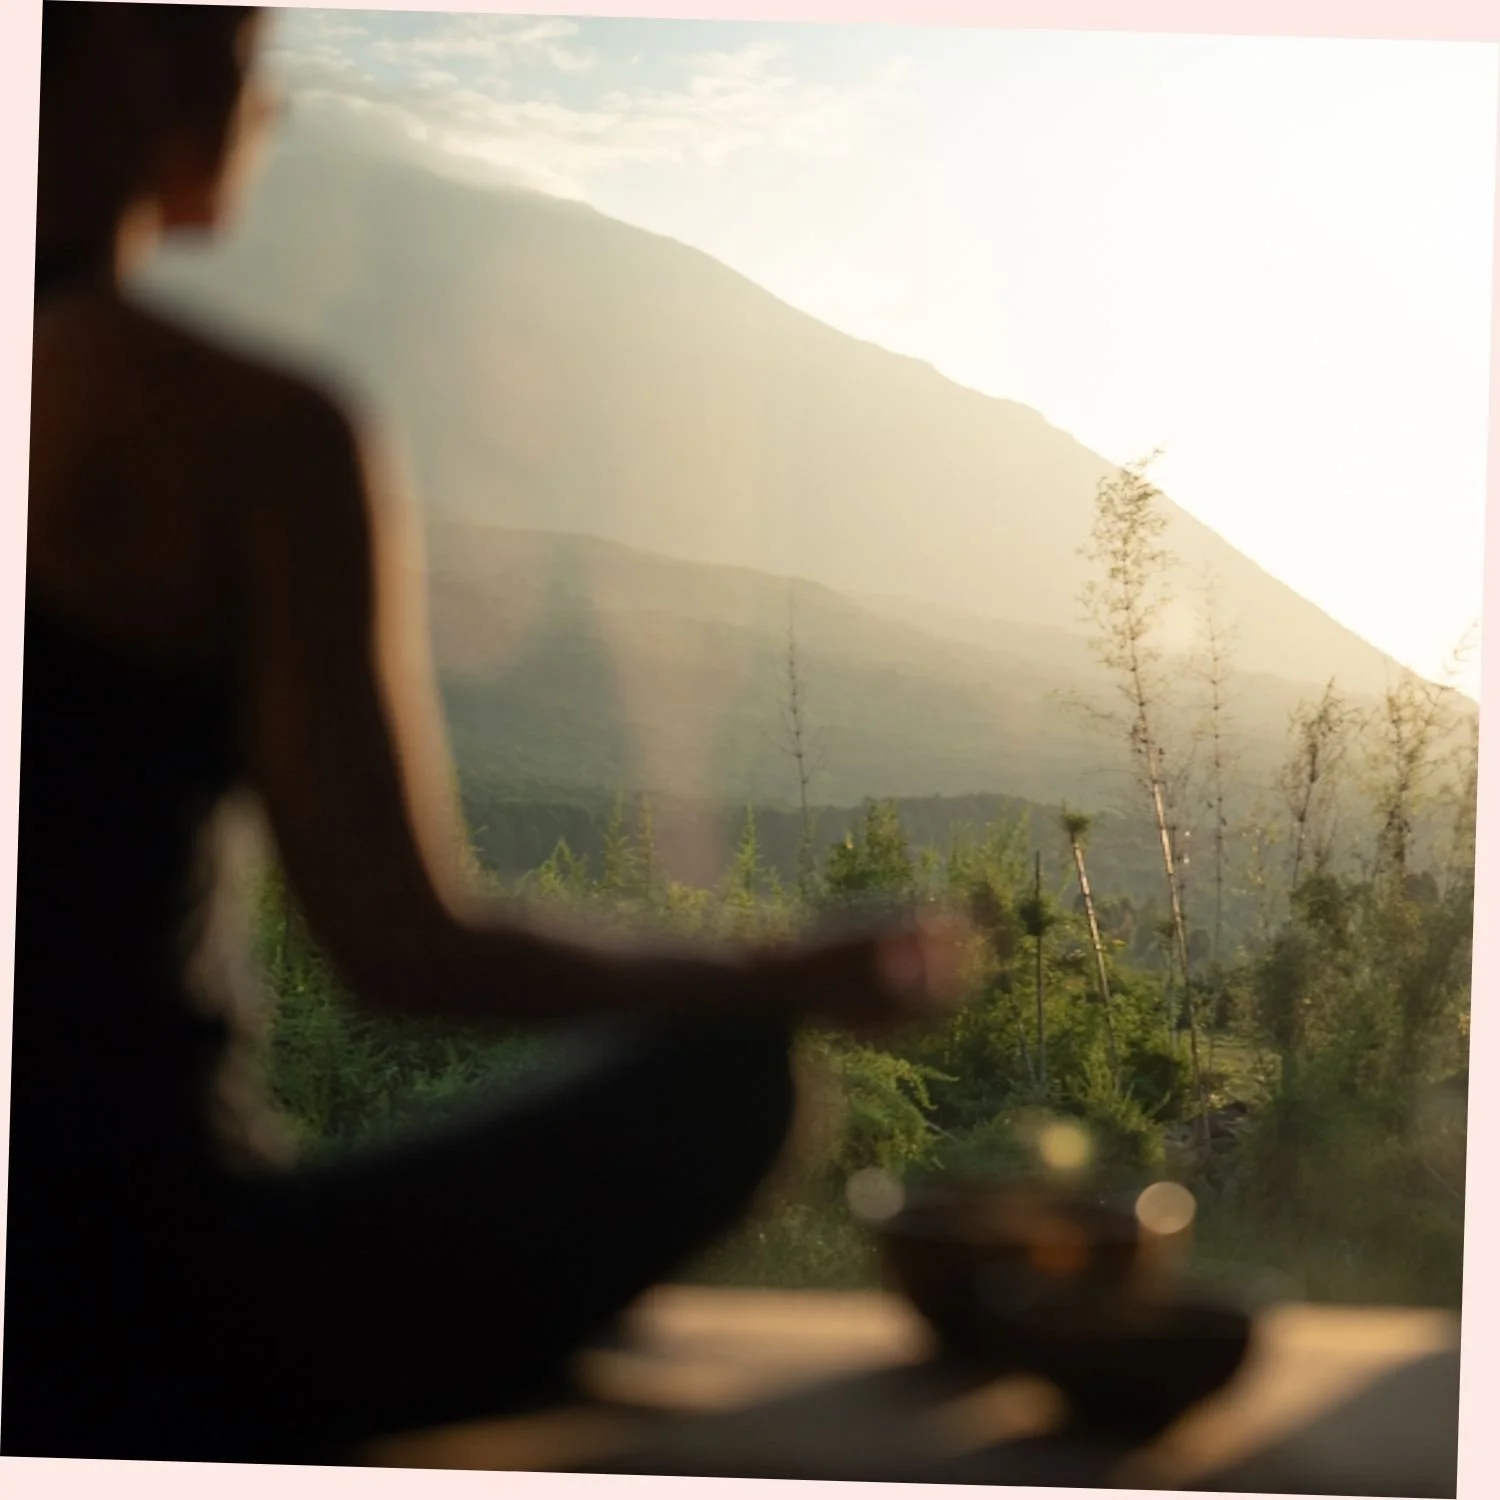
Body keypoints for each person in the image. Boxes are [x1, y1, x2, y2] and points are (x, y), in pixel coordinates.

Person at [6, 2, 965, 1467]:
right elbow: (402, 946)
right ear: (150, 67)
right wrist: (784, 972)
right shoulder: (246, 430)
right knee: (728, 1081)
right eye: (258, 60)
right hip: (138, 1312)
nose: (274, 113)